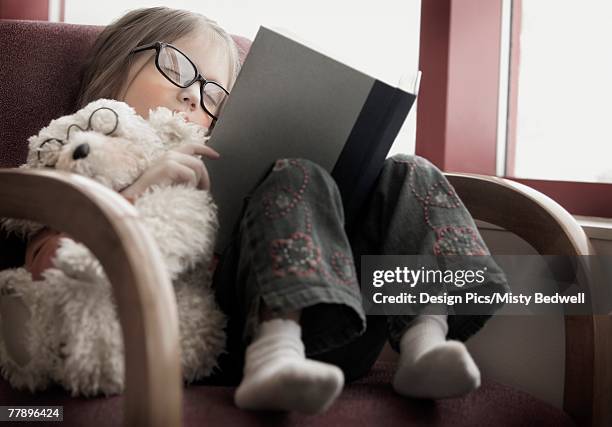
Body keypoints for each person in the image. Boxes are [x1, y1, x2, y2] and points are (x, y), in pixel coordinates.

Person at [2, 7, 509, 414]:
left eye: (215, 93)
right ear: (114, 66)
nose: (192, 95)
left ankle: (425, 338)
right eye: (177, 66)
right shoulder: (80, 150)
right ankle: (276, 349)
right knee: (297, 175)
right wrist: (141, 188)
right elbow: (48, 268)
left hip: (340, 325)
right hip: (235, 340)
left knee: (407, 170)